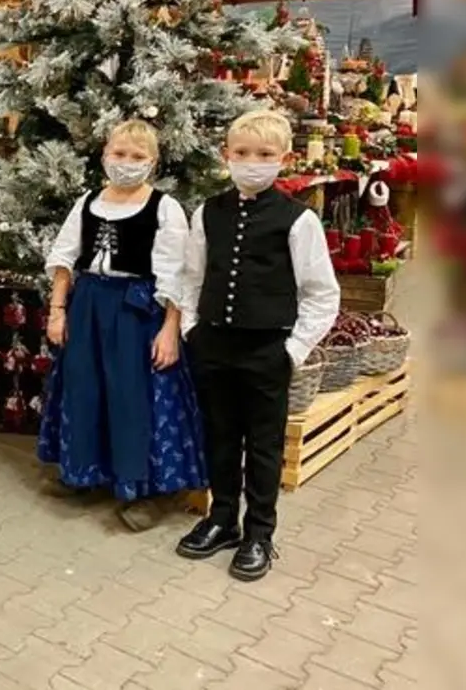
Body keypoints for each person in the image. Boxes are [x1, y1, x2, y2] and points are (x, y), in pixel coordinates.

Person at [176, 109, 339, 582]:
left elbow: (321, 293)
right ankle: (223, 518)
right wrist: (191, 327)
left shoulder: (298, 219)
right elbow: (192, 275)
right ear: (226, 155)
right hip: (214, 345)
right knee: (221, 437)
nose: (252, 162)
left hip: (268, 350)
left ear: (283, 160)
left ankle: (259, 533)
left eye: (264, 155)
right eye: (242, 153)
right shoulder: (209, 212)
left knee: (264, 446)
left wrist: (293, 348)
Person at [39, 121, 206, 529]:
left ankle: (144, 490)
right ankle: (85, 472)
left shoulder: (164, 208)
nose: (126, 163)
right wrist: (58, 311)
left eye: (137, 157)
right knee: (84, 388)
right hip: (89, 306)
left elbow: (177, 276)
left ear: (152, 162)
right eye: (119, 154)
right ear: (104, 154)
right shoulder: (89, 202)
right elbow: (64, 259)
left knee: (132, 396)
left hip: (136, 311)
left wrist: (170, 330)